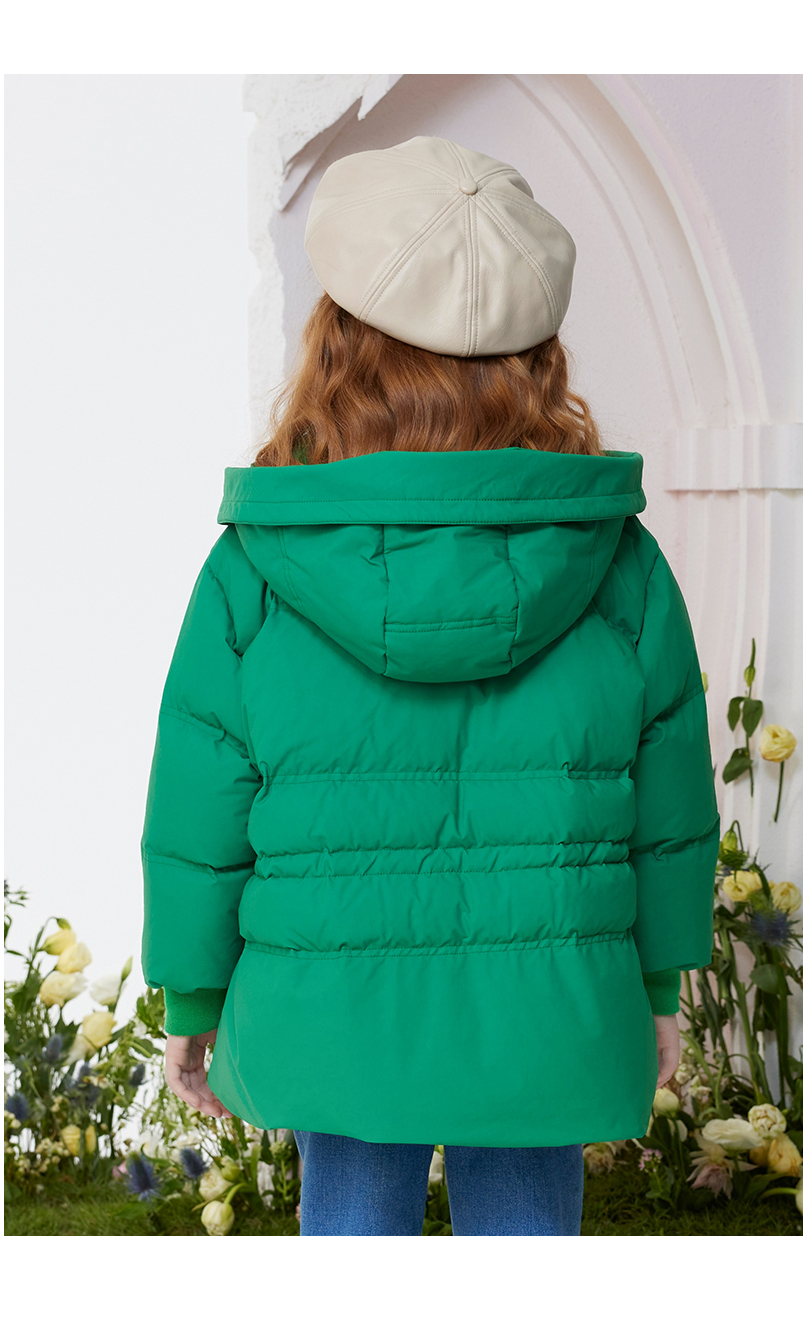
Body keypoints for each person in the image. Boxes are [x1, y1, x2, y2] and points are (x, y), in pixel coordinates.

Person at [140, 135, 721, 1236]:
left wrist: (195, 995)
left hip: (331, 1007)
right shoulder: (617, 565)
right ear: (534, 354)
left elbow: (198, 813)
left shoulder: (256, 566)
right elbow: (671, 808)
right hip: (550, 1005)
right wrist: (657, 984)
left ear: (340, 341)